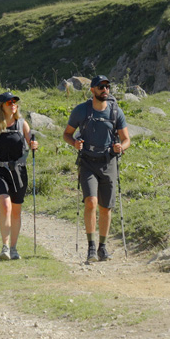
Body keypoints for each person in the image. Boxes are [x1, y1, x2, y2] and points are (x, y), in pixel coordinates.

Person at [63, 74, 130, 262]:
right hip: (87, 162)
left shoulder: (116, 112)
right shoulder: (81, 111)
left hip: (109, 162)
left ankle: (102, 247)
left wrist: (121, 147)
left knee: (106, 207)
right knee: (91, 202)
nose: (105, 90)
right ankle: (91, 247)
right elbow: (67, 134)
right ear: (92, 90)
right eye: (101, 87)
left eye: (107, 86)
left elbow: (126, 139)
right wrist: (75, 143)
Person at [0, 91, 39, 260]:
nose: (13, 104)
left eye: (15, 102)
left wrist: (34, 144)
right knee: (5, 206)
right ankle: (5, 247)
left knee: (16, 211)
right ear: (2, 106)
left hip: (19, 172)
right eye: (9, 102)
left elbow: (30, 142)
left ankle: (14, 248)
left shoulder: (22, 124)